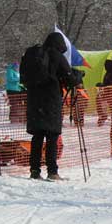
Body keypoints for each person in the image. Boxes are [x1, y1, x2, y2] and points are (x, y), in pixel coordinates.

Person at [20, 32, 74, 181]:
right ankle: (52, 171)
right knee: (52, 136)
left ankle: (35, 171)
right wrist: (76, 77)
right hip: (51, 100)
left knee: (37, 136)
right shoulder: (56, 55)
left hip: (34, 101)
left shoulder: (34, 55)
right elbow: (69, 78)